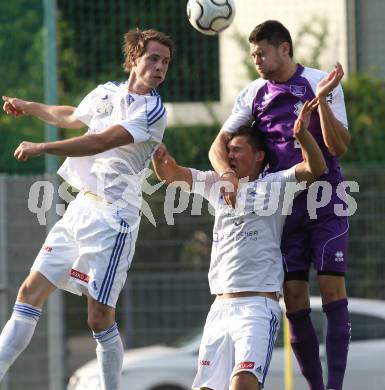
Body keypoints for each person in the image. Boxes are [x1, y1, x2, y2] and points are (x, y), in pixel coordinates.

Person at [0, 28, 174, 390]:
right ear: (133, 59)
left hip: (114, 220)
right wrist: (29, 107)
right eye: (153, 58)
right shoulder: (107, 92)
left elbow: (98, 141)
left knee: (98, 319)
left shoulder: (154, 111)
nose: (160, 67)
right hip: (81, 208)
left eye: (166, 62)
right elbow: (74, 117)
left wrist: (41, 148)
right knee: (29, 292)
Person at [209, 20, 351, 390]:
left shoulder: (320, 82)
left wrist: (321, 105)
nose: (256, 59)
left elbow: (338, 147)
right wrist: (226, 173)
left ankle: (334, 386)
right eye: (253, 53)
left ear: (284, 49)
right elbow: (218, 145)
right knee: (294, 296)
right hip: (283, 203)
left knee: (333, 286)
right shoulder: (254, 94)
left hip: (326, 197)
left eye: (262, 52)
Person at [152, 100, 326, 390]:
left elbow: (315, 167)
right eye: (228, 149)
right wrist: (159, 157)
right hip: (220, 307)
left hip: (257, 305)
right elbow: (169, 174)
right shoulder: (216, 185)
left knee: (243, 383)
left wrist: (302, 134)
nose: (229, 154)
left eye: (237, 149)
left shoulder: (276, 184)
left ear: (258, 156)